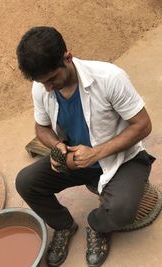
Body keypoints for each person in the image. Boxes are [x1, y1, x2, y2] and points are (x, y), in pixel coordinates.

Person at [15, 26, 155, 267]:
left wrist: (97, 153)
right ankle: (64, 226)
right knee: (26, 182)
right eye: (42, 83)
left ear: (67, 58)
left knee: (121, 210)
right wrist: (58, 147)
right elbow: (41, 129)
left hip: (122, 159)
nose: (47, 88)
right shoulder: (42, 86)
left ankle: (97, 226)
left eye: (51, 80)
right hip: (76, 159)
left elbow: (143, 125)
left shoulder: (110, 78)